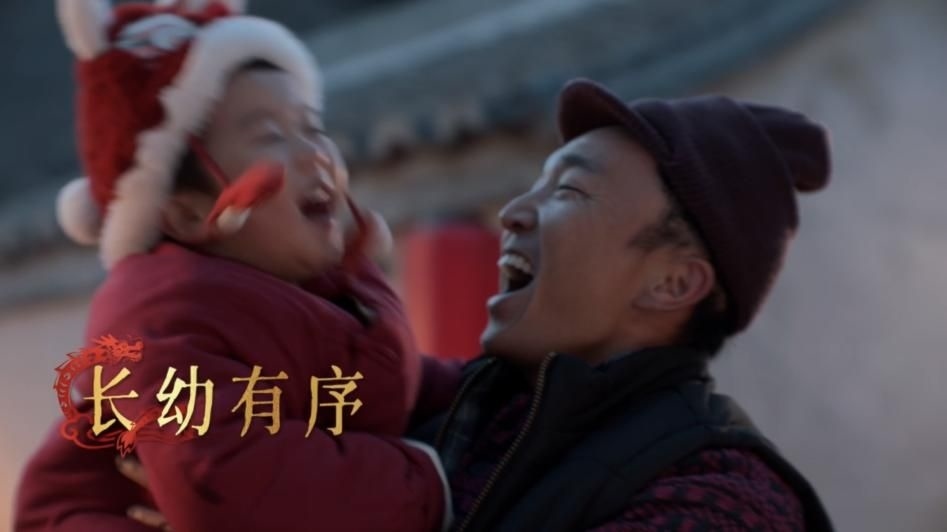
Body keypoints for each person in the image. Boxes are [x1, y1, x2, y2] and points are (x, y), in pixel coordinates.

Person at [116, 77, 836, 531]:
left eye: (569, 192)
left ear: (672, 283)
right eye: (534, 184)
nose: (515, 212)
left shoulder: (725, 498)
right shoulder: (446, 415)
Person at [14, 1, 453, 531]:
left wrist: (494, 388)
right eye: (270, 137)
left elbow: (390, 389)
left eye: (312, 128)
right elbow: (233, 480)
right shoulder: (163, 320)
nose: (315, 154)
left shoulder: (316, 291)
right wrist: (433, 481)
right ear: (186, 213)